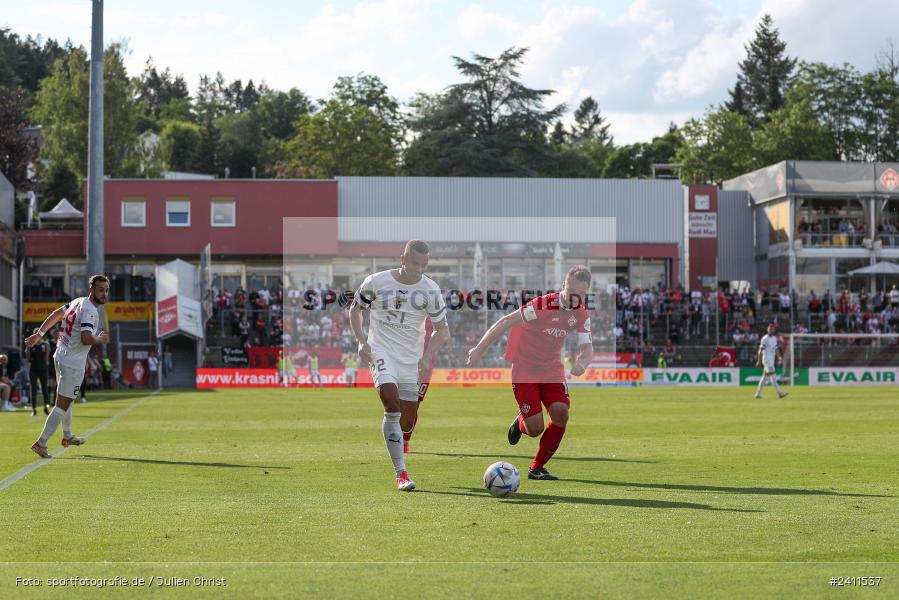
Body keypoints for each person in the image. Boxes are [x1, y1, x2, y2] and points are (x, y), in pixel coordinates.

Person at [467, 266, 594, 481]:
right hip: (525, 368)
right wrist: (479, 349)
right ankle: (521, 421)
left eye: (581, 294)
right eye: (571, 290)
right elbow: (505, 321)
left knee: (561, 413)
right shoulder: (543, 305)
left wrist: (582, 363)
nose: (575, 297)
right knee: (535, 428)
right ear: (564, 285)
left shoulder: (581, 313)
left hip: (551, 369)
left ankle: (537, 468)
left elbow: (587, 347)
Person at [349, 240, 450, 491]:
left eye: (424, 264)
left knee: (407, 419)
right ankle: (401, 474)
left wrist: (427, 355)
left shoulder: (430, 289)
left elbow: (442, 330)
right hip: (381, 350)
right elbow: (355, 310)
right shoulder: (376, 281)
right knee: (391, 405)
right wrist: (361, 342)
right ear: (403, 259)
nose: (419, 269)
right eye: (415, 263)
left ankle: (401, 440)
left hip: (410, 358)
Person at [25, 274, 111, 458]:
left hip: (60, 356)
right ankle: (41, 443)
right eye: (101, 290)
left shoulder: (78, 301)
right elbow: (86, 338)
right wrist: (101, 339)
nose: (104, 294)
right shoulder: (90, 311)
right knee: (61, 405)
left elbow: (57, 314)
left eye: (106, 290)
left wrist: (40, 334)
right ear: (92, 290)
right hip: (72, 364)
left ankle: (67, 436)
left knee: (66, 399)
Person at [402, 317, 435, 455]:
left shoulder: (433, 307)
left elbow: (442, 332)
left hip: (424, 362)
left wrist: (427, 356)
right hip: (403, 358)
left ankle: (404, 441)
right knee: (397, 402)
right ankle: (397, 438)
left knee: (414, 404)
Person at [755, 323, 788, 400]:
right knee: (773, 376)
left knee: (765, 377)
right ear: (767, 330)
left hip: (771, 360)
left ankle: (758, 393)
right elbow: (760, 351)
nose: (771, 330)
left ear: (774, 330)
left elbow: (776, 349)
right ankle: (780, 393)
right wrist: (759, 361)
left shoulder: (774, 338)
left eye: (772, 329)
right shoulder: (764, 339)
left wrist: (779, 357)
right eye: (769, 329)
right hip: (766, 360)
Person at [27, 333, 52, 416]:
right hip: (33, 369)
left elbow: (47, 358)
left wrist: (46, 368)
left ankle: (46, 407)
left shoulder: (45, 344)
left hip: (43, 369)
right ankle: (34, 409)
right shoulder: (30, 345)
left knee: (45, 388)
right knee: (33, 388)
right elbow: (28, 357)